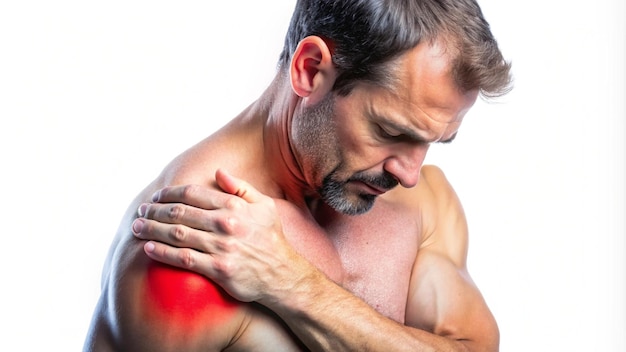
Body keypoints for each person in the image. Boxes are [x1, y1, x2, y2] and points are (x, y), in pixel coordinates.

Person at [84, 0, 512, 350]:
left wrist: (293, 285)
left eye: (433, 141)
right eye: (391, 132)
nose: (411, 173)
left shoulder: (419, 206)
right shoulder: (190, 250)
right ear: (310, 70)